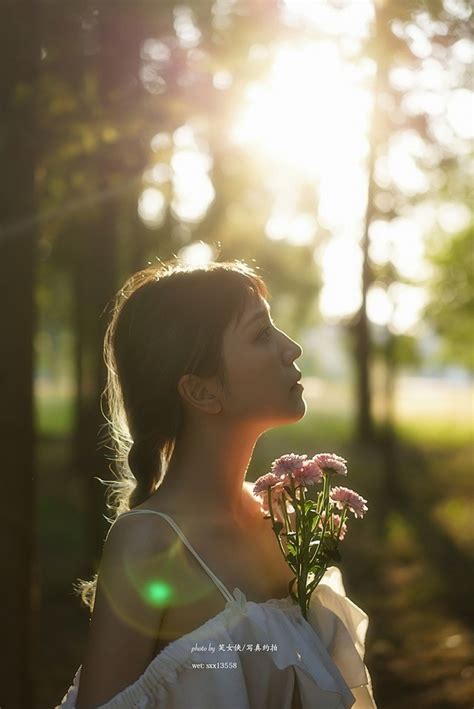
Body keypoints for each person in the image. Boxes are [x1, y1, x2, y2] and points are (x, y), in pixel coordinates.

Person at [57, 258, 376, 708]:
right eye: (262, 334)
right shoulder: (149, 542)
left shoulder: (279, 516)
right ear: (202, 391)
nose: (292, 349)